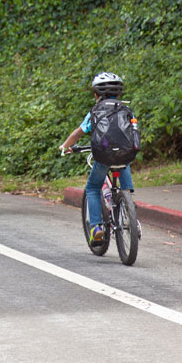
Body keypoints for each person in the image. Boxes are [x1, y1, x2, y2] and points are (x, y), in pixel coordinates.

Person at [60, 71, 136, 247]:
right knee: (124, 171)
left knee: (93, 188)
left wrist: (65, 146)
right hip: (125, 155)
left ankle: (96, 228)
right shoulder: (126, 110)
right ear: (119, 93)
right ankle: (130, 208)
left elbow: (78, 133)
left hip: (103, 157)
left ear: (96, 94)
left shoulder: (95, 111)